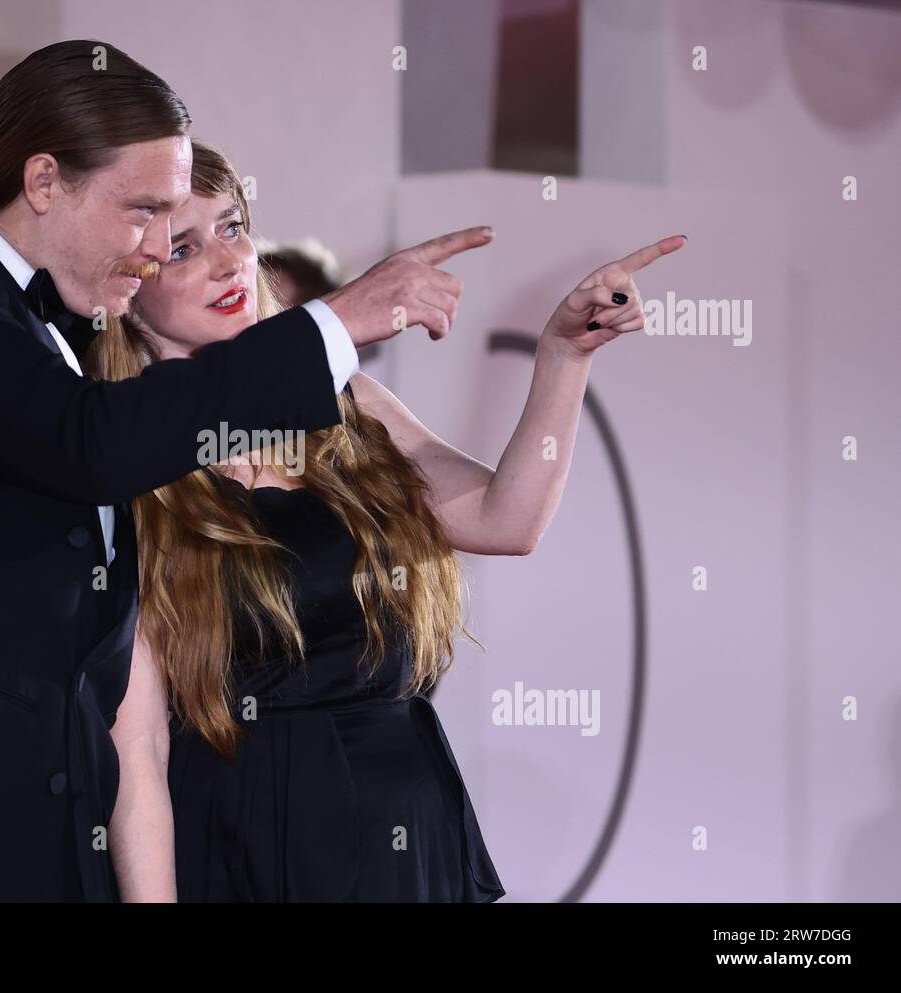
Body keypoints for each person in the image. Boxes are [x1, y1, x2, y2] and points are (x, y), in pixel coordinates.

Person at [0, 41, 488, 903]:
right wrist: (333, 323)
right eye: (144, 210)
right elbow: (85, 441)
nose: (156, 247)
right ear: (44, 181)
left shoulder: (62, 346)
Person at [98, 142, 684, 901]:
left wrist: (564, 356)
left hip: (404, 818)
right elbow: (137, 749)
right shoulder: (119, 455)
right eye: (184, 246)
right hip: (246, 833)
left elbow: (505, 517)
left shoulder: (347, 403)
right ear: (128, 288)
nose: (228, 261)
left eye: (234, 227)